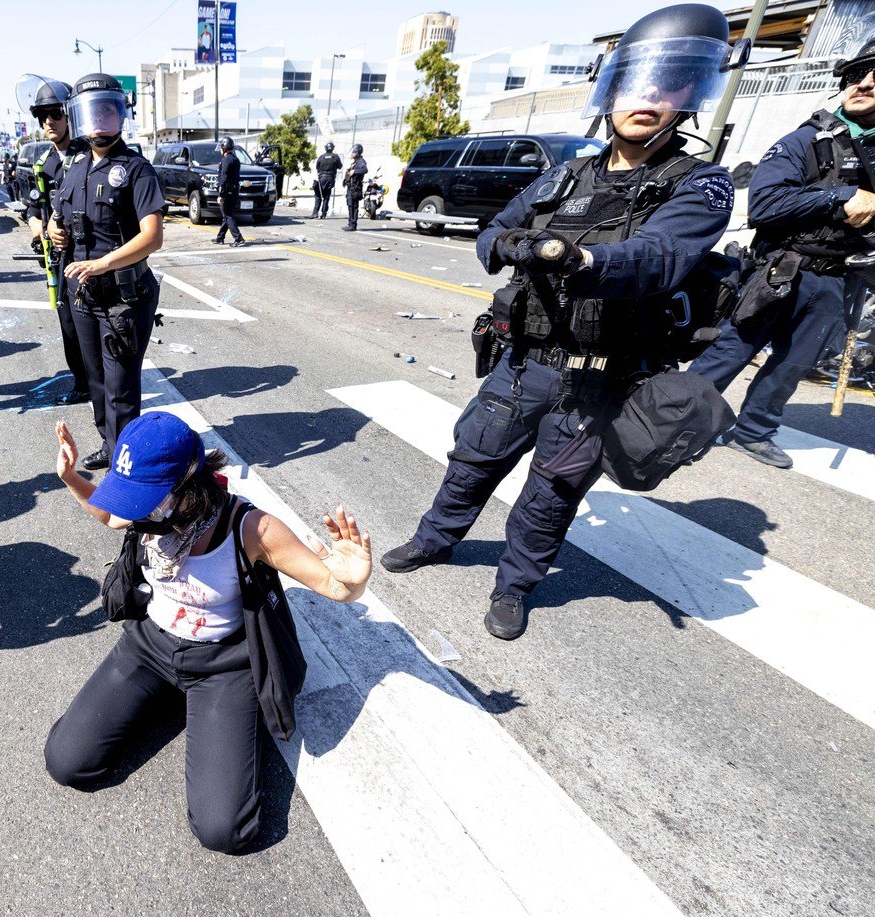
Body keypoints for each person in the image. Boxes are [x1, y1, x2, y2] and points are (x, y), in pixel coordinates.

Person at [379, 3, 744, 641]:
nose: (646, 100)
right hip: (524, 364)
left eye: (665, 87)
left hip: (602, 379)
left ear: (689, 96)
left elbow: (660, 257)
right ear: (612, 92)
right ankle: (434, 540)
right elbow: (493, 231)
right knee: (472, 459)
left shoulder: (701, 185)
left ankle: (515, 586)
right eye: (635, 85)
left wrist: (583, 260)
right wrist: (509, 244)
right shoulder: (565, 175)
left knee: (552, 493)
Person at [44, 411, 372, 853]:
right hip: (150, 646)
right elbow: (107, 515)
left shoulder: (252, 528)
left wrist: (352, 580)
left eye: (143, 498)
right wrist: (70, 478)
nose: (133, 512)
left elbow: (333, 585)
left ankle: (230, 717)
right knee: (66, 763)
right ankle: (171, 699)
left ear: (187, 485)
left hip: (224, 664)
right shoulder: (147, 511)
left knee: (224, 830)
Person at [687, 36, 875, 469]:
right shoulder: (806, 140)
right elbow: (766, 205)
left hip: (839, 279)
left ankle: (753, 432)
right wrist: (842, 197)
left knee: (794, 364)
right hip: (782, 270)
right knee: (732, 351)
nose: (864, 83)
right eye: (856, 75)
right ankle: (675, 421)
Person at [47, 73, 164, 471]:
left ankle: (126, 465)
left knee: (120, 388)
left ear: (120, 114)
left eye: (108, 111)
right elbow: (59, 212)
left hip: (122, 297)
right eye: (92, 112)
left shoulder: (135, 169)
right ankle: (110, 444)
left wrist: (104, 262)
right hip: (84, 295)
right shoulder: (76, 165)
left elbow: (152, 237)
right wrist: (54, 229)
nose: (100, 121)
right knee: (96, 379)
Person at [20, 75, 91, 407]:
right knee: (68, 323)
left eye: (55, 113)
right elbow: (34, 206)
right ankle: (82, 382)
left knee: (97, 323)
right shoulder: (43, 164)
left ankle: (104, 383)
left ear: (70, 115)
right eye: (42, 115)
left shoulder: (89, 155)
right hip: (60, 258)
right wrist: (37, 224)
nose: (49, 121)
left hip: (91, 253)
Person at [211, 136, 247, 247]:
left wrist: (221, 195)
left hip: (228, 192)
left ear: (224, 147)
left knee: (227, 215)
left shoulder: (226, 160)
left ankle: (238, 238)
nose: (220, 150)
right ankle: (220, 238)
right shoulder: (235, 159)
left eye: (221, 147)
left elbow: (224, 178)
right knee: (227, 215)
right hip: (234, 191)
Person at [342, 143, 368, 232]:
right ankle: (350, 223)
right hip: (351, 187)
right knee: (350, 205)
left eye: (354, 152)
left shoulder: (361, 161)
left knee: (354, 205)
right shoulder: (355, 162)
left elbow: (365, 170)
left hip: (356, 187)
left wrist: (355, 171)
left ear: (358, 153)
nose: (352, 154)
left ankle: (353, 224)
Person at [312, 141, 341, 219]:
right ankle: (324, 213)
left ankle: (315, 213)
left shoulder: (321, 157)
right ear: (333, 148)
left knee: (318, 195)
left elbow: (317, 167)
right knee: (326, 196)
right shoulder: (335, 157)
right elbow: (340, 166)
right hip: (330, 178)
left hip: (322, 178)